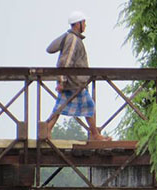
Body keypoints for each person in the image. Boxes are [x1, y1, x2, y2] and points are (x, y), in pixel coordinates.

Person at [45, 11, 111, 141]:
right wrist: (62, 82)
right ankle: (95, 134)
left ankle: (47, 129)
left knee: (60, 106)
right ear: (78, 24)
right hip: (74, 83)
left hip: (70, 82)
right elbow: (66, 62)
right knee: (89, 105)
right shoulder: (73, 39)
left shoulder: (70, 37)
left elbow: (51, 49)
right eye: (84, 22)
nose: (85, 25)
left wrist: (62, 81)